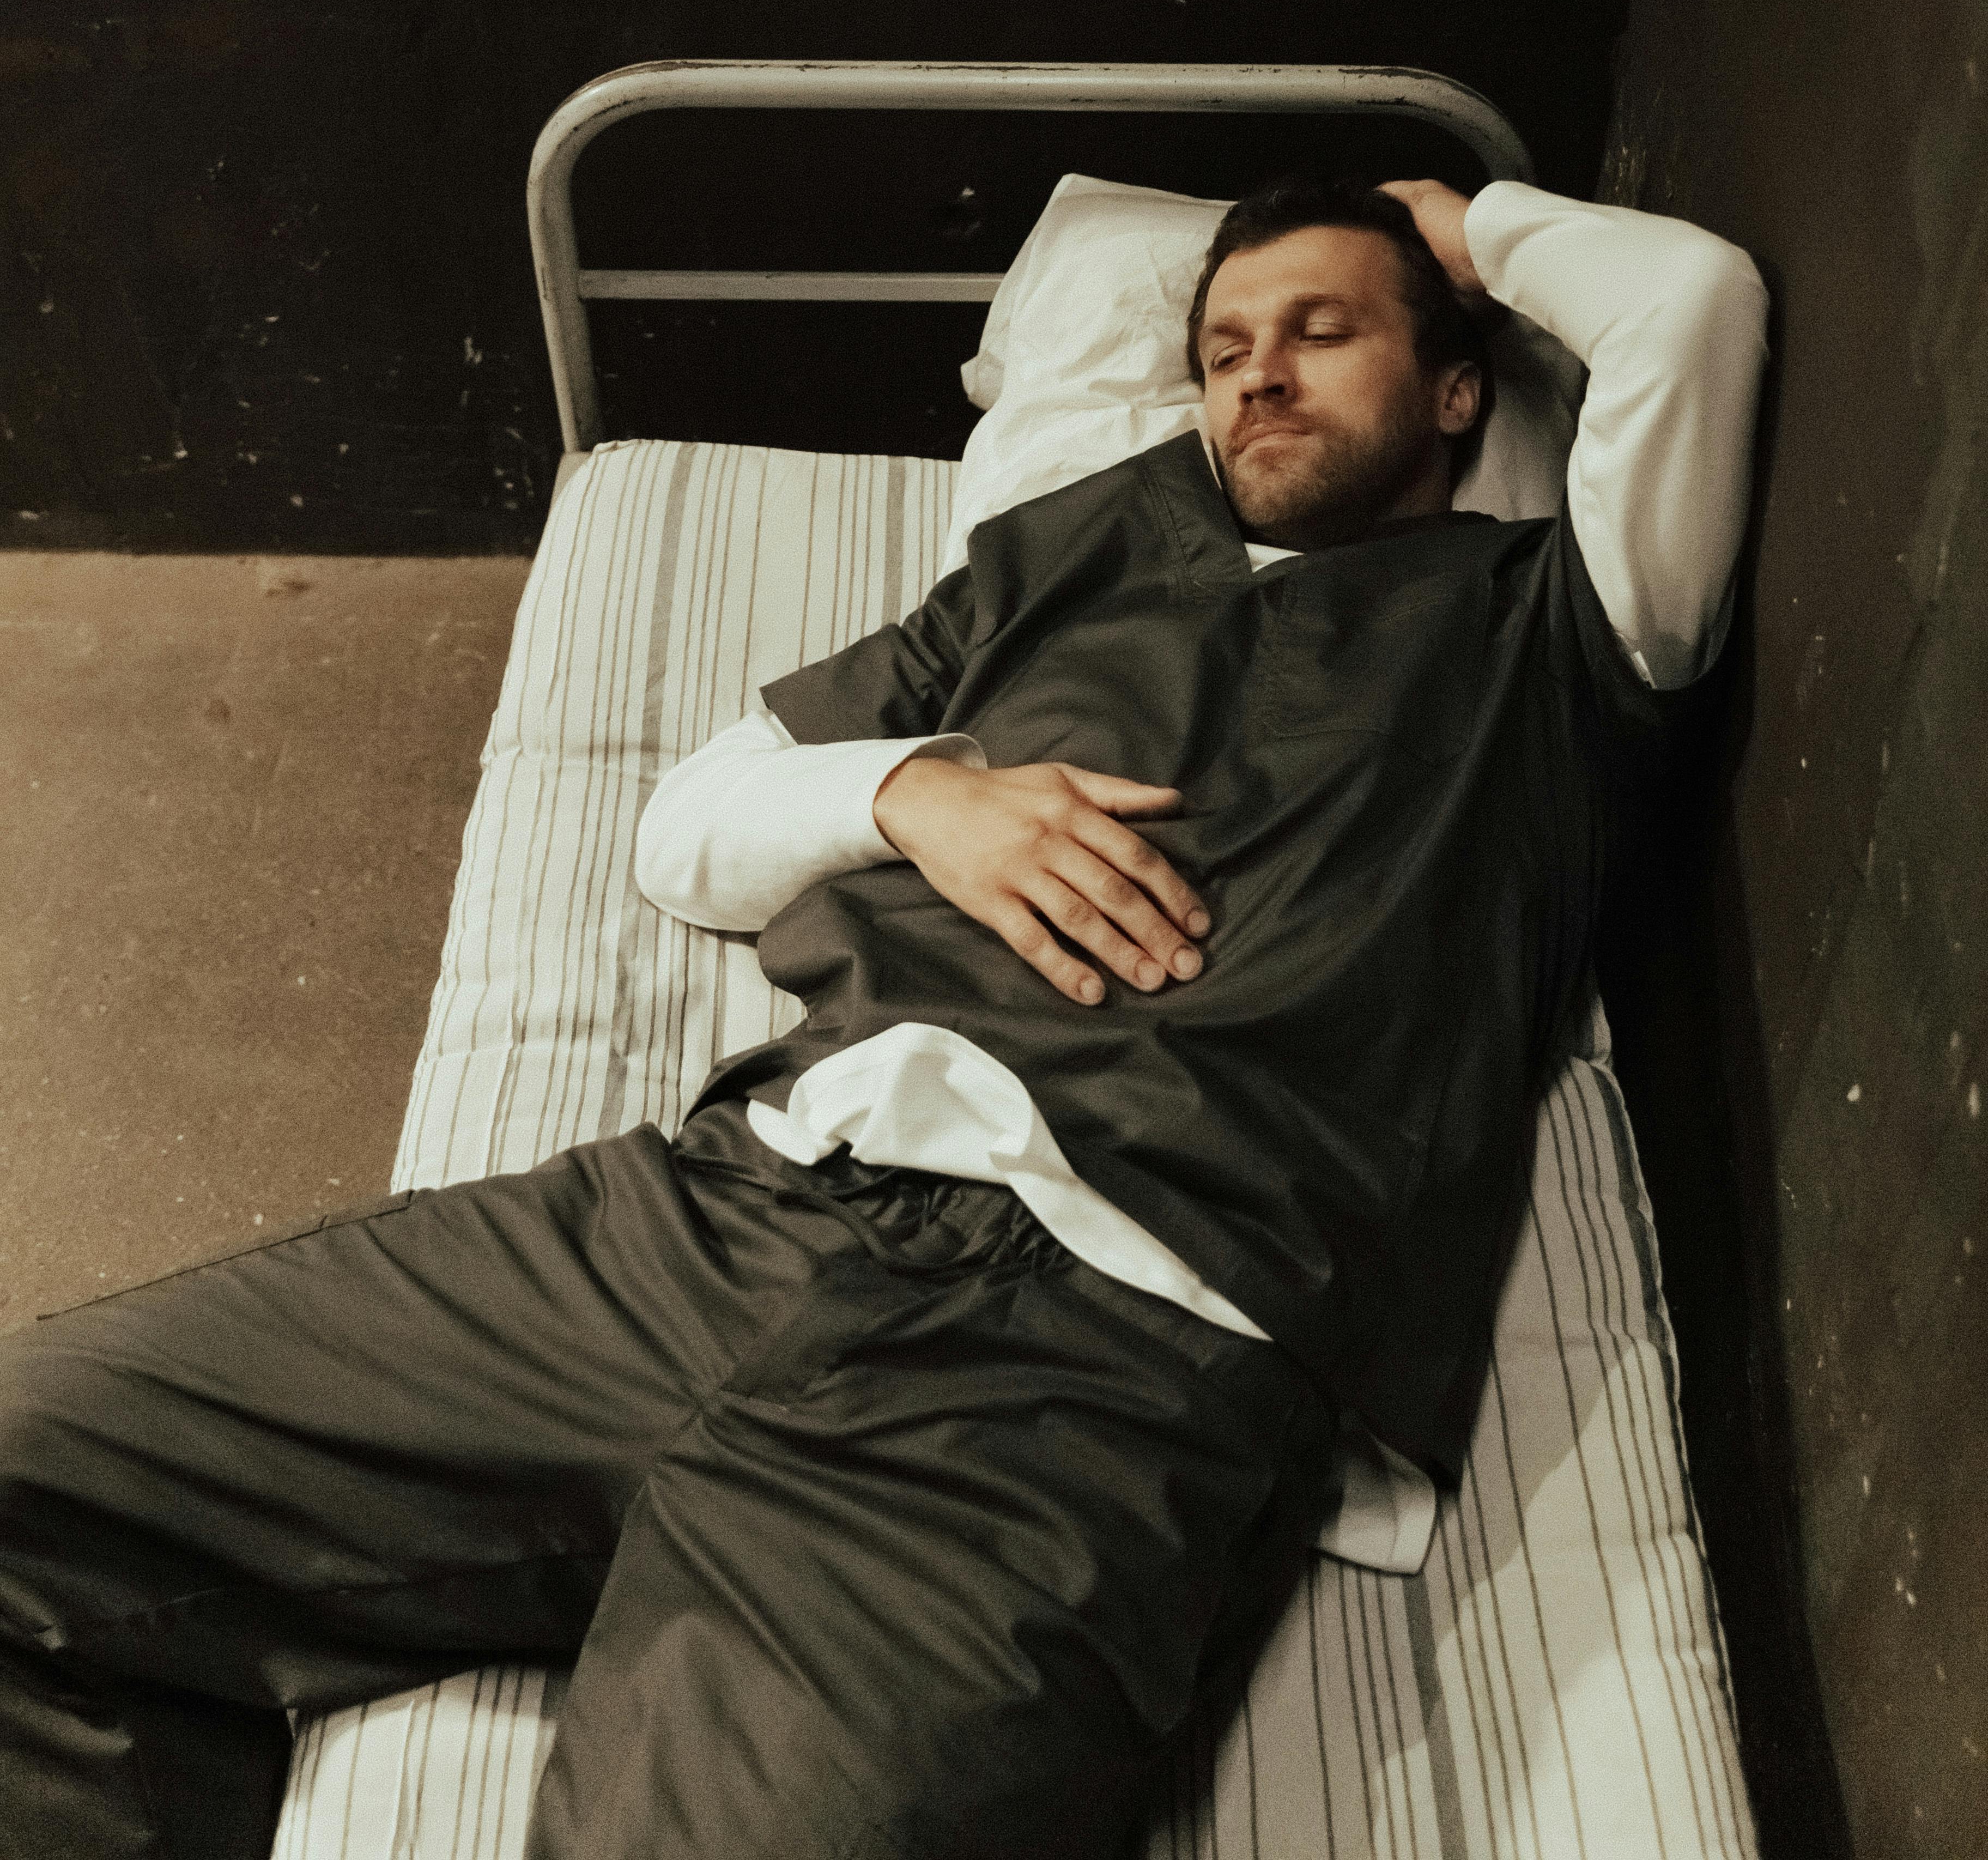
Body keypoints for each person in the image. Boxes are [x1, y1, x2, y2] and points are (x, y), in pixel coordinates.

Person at [0, 173, 1768, 1860]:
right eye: (1225, 349)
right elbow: (684, 831)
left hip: (1073, 1378)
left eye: (1324, 332)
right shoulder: (1063, 563)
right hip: (713, 1218)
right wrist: (918, 792)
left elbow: (1691, 303)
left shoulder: (1556, 640)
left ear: (1462, 387)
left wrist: (1455, 222)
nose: (1261, 380)